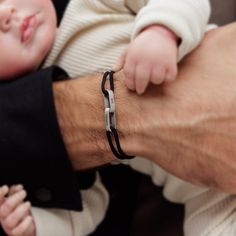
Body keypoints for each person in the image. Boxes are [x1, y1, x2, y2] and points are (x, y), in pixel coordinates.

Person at [0, 0, 236, 236]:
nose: (5, 13)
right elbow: (91, 203)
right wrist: (37, 225)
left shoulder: (88, 5)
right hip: (203, 189)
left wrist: (161, 30)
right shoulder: (36, 128)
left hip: (224, 71)